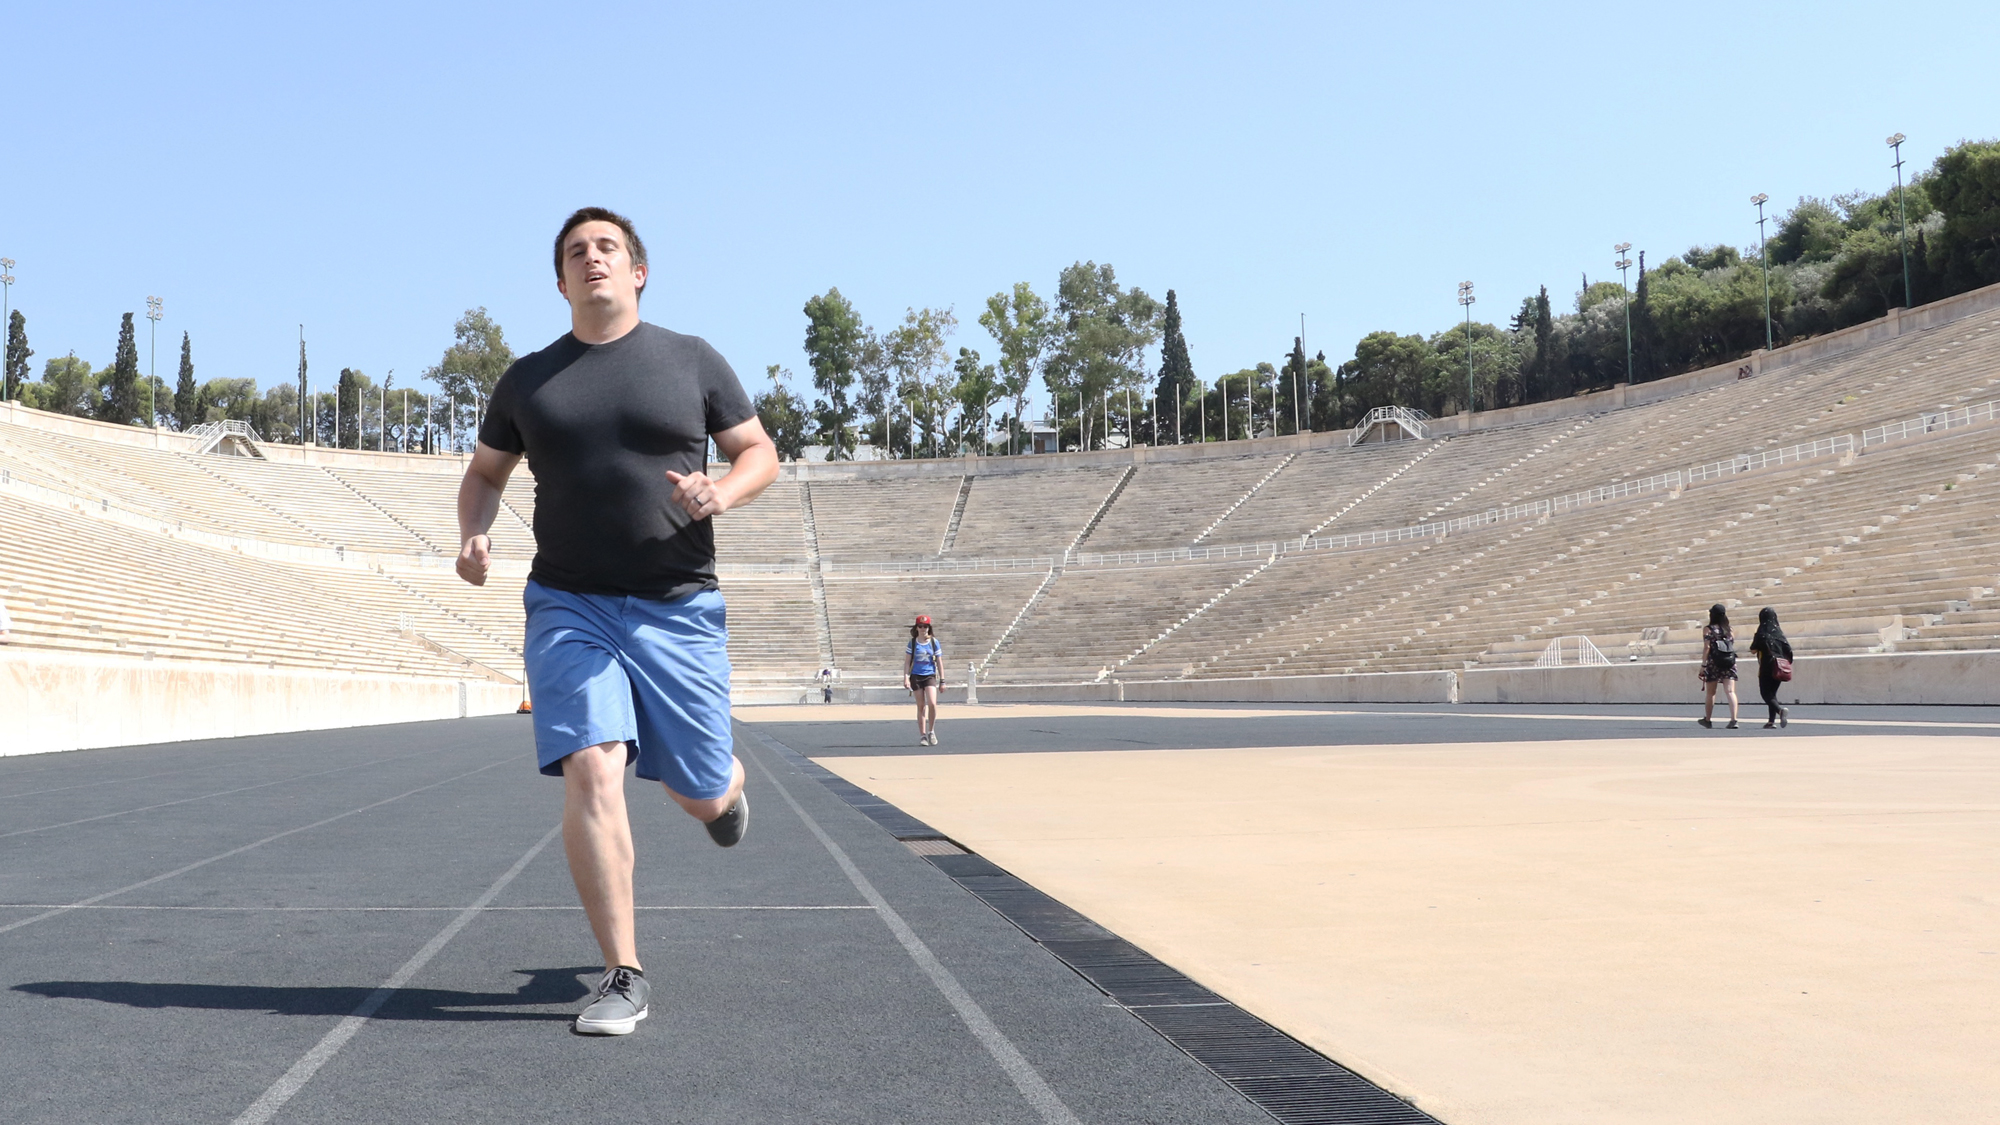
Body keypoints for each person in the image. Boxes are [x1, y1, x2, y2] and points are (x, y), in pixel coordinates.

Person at [456, 206, 778, 1037]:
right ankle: (622, 974)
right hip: (569, 602)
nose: (592, 258)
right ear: (559, 281)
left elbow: (758, 452)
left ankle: (723, 788)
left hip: (678, 607)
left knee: (697, 790)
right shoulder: (528, 380)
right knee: (592, 769)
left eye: (607, 247)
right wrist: (474, 530)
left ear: (638, 271)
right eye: (576, 252)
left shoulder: (691, 359)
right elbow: (486, 472)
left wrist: (724, 490)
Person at [1749, 607, 1793, 729]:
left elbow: (1753, 650)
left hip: (1766, 666)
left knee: (1765, 694)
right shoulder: (1780, 634)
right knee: (1772, 694)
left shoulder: (1761, 632)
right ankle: (1771, 721)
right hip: (1779, 666)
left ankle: (1780, 711)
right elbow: (1788, 651)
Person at [1697, 603, 1740, 729]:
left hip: (1714, 663)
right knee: (1730, 691)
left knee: (1711, 693)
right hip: (1729, 662)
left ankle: (1708, 719)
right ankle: (1734, 719)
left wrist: (1703, 665)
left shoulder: (1708, 629)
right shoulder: (1730, 629)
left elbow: (1707, 647)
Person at [903, 615, 943, 746]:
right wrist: (906, 677)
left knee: (932, 703)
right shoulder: (913, 642)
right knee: (921, 706)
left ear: (929, 628)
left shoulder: (934, 642)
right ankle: (923, 735)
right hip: (916, 676)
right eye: (920, 626)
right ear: (917, 627)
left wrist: (942, 680)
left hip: (930, 675)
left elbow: (939, 662)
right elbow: (907, 661)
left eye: (925, 626)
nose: (923, 629)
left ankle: (931, 731)